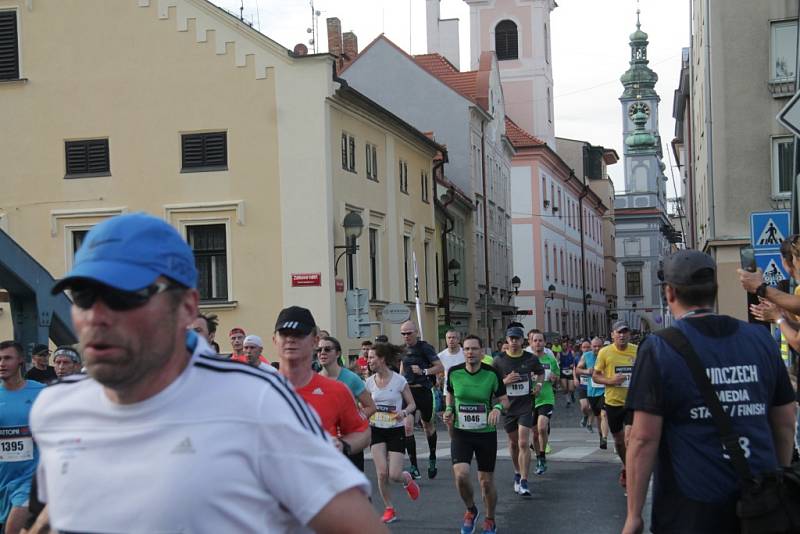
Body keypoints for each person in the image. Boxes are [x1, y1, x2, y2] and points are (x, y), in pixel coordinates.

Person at [32, 212, 384, 533]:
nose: (96, 315)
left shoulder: (257, 401)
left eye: (125, 295)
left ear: (186, 308)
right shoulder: (55, 406)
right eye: (82, 295)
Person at [623, 250, 797, 534]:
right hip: (760, 503)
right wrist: (776, 480)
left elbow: (643, 438)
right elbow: (786, 420)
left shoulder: (658, 348)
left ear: (670, 294)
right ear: (714, 291)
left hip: (691, 506)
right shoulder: (759, 339)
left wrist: (634, 515)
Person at [277, 307, 371, 462]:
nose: (290, 339)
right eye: (284, 334)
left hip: (323, 481)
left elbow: (363, 433)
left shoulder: (337, 389)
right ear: (274, 340)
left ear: (315, 341)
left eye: (299, 334)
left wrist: (342, 445)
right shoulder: (258, 390)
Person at [443, 335, 509, 534]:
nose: (470, 352)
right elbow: (451, 393)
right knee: (461, 475)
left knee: (486, 481)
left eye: (474, 349)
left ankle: (490, 518)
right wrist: (449, 409)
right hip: (462, 432)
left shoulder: (491, 373)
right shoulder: (454, 373)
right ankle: (471, 510)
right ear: (463, 352)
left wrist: (497, 408)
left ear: (482, 351)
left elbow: (505, 400)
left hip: (485, 433)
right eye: (467, 349)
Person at [365, 342, 420, 524]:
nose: (369, 360)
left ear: (382, 359)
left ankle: (406, 479)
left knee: (394, 475)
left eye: (372, 357)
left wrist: (403, 413)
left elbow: (412, 404)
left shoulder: (399, 381)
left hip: (395, 429)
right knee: (381, 473)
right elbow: (363, 405)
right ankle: (389, 509)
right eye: (369, 357)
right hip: (376, 430)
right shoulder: (369, 382)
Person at [492, 326, 545, 497]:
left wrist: (538, 385)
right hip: (508, 406)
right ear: (506, 341)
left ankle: (524, 480)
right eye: (511, 338)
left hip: (525, 405)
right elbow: (491, 382)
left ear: (523, 341)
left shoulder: (530, 358)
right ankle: (516, 471)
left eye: (517, 338)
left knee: (523, 442)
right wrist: (505, 381)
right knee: (514, 443)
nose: (514, 342)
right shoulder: (498, 360)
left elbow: (540, 372)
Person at [0, 340, 45, 534]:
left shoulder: (41, 392)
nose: (1, 363)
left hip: (29, 477)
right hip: (3, 476)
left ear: (20, 361)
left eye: (7, 358)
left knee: (12, 529)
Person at [318, 336, 377, 470]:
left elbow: (371, 407)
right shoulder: (315, 378)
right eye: (319, 350)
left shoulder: (351, 378)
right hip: (325, 443)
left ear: (338, 353)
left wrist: (354, 420)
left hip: (349, 441)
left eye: (327, 349)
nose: (322, 353)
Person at [593, 320, 637, 491]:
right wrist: (611, 380)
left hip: (632, 402)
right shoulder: (605, 352)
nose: (622, 335)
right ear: (612, 335)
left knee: (629, 437)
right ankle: (626, 465)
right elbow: (596, 376)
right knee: (619, 441)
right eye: (618, 332)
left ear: (629, 334)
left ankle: (631, 470)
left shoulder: (637, 351)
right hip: (613, 402)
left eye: (625, 332)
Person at [398, 320, 443, 480]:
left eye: (409, 333)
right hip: (409, 392)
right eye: (403, 333)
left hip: (424, 391)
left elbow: (439, 367)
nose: (406, 336)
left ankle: (432, 458)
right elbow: (402, 368)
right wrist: (399, 383)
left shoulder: (425, 347)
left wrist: (424, 371)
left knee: (427, 426)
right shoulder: (403, 350)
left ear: (415, 332)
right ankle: (414, 466)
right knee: (407, 427)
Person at [528, 330, 559, 475]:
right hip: (530, 399)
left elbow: (557, 377)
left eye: (540, 340)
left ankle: (543, 456)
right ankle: (539, 458)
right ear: (531, 342)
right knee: (534, 433)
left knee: (541, 427)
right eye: (535, 340)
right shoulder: (526, 359)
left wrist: (554, 377)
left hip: (546, 397)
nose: (538, 343)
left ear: (544, 343)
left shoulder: (550, 359)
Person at [577, 337, 609, 449]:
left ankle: (605, 438)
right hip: (592, 391)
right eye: (594, 346)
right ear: (591, 346)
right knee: (598, 417)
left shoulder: (608, 354)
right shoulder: (586, 356)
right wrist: (586, 371)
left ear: (603, 346)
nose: (597, 348)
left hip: (606, 390)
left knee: (604, 414)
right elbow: (578, 369)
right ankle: (601, 437)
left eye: (599, 346)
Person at [574, 339, 595, 431]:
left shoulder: (595, 357)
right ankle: (585, 415)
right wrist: (575, 378)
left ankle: (590, 424)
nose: (586, 349)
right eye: (584, 347)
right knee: (584, 406)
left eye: (588, 347)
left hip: (594, 385)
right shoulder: (578, 358)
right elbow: (574, 369)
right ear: (581, 348)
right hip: (582, 385)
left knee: (592, 406)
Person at [437, 329, 465, 394]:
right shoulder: (440, 356)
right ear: (446, 340)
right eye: (449, 338)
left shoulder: (465, 353)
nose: (451, 340)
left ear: (458, 340)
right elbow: (438, 374)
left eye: (453, 337)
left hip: (464, 390)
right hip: (447, 392)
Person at [559, 340, 576, 406]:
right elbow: (557, 362)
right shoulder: (559, 354)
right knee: (565, 388)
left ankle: (572, 394)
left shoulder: (571, 352)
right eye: (563, 346)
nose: (564, 347)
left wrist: (573, 364)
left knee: (571, 389)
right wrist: (558, 363)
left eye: (565, 346)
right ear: (561, 346)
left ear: (567, 346)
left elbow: (575, 361)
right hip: (563, 372)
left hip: (570, 371)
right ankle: (568, 401)